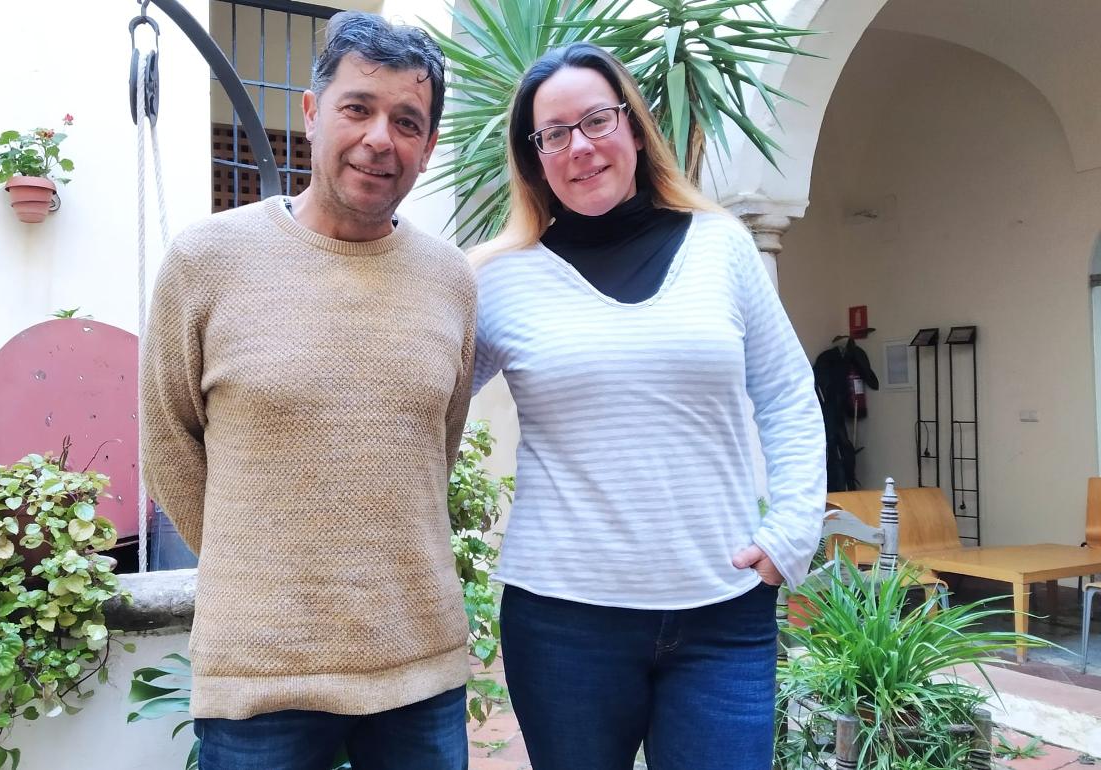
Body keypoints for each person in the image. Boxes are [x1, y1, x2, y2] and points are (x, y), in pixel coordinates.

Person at [469, 43, 825, 770]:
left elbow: (787, 393)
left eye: (596, 120)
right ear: (535, 159)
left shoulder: (721, 246)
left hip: (722, 614)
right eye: (554, 134)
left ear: (633, 127)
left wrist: (792, 530)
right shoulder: (498, 280)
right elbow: (419, 406)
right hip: (564, 622)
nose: (579, 146)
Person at [140, 12, 476, 770]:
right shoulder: (206, 261)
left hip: (418, 667)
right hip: (260, 675)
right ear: (312, 112)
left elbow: (433, 447)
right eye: (358, 108)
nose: (380, 138)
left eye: (407, 121)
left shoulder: (450, 280)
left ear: (427, 146)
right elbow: (167, 443)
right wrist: (261, 569)